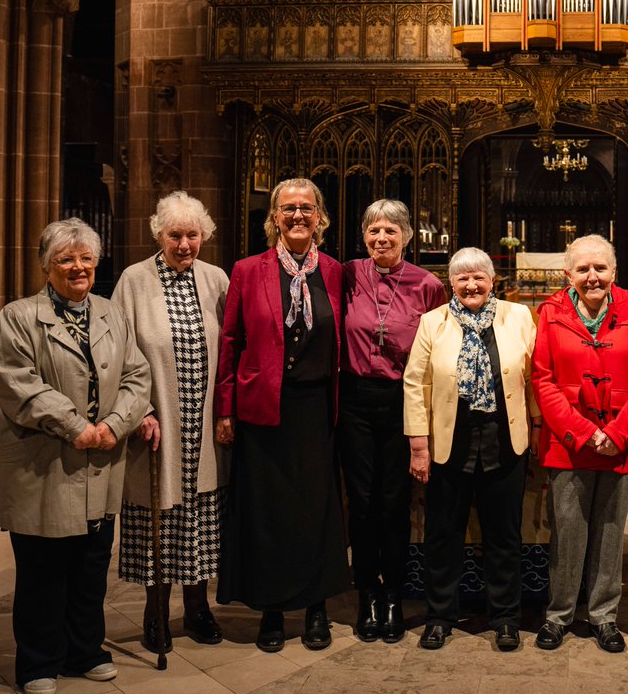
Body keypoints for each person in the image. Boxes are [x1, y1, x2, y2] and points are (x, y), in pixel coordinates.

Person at [0, 218, 151, 694]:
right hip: (46, 464)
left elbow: (137, 375)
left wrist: (115, 424)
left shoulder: (110, 313)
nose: (78, 267)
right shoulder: (19, 316)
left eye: (85, 258)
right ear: (46, 265)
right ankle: (38, 662)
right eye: (66, 259)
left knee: (88, 567)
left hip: (100, 461)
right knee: (43, 571)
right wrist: (76, 426)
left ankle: (85, 651)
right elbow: (18, 382)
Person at [213, 177, 348, 652]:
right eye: (287, 209)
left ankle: (315, 611)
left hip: (315, 410)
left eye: (306, 209)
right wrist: (224, 409)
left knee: (315, 510)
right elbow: (231, 342)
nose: (297, 216)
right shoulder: (248, 270)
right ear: (273, 217)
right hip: (263, 409)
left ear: (320, 217)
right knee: (267, 512)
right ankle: (271, 611)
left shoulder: (334, 271)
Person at [113, 192, 231, 653]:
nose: (184, 244)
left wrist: (227, 410)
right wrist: (137, 410)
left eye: (192, 235)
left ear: (204, 236)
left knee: (200, 519)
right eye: (174, 235)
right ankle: (155, 613)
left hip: (203, 426)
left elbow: (233, 346)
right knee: (158, 519)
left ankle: (198, 609)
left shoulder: (216, 279)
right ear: (158, 235)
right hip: (156, 423)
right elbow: (119, 353)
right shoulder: (133, 281)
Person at [403, 247, 537, 651]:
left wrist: (541, 431)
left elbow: (534, 376)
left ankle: (506, 618)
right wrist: (419, 444)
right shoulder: (433, 323)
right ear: (451, 284)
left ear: (493, 280)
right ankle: (440, 616)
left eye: (479, 276)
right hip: (449, 446)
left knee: (504, 536)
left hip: (504, 442)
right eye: (462, 278)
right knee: (443, 535)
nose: (471, 284)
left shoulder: (518, 317)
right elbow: (415, 383)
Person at [531, 235, 628, 653]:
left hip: (621, 444)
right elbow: (543, 380)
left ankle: (604, 616)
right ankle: (559, 615)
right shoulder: (549, 312)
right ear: (568, 274)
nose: (592, 276)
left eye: (600, 268)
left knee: (610, 532)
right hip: (569, 444)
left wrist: (618, 433)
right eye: (583, 269)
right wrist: (584, 433)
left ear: (614, 272)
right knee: (568, 532)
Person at [340, 199, 446, 643]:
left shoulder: (428, 284)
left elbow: (440, 348)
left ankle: (395, 598)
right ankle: (367, 593)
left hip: (404, 401)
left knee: (395, 503)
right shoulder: (346, 274)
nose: (381, 239)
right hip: (355, 400)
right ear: (364, 235)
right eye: (373, 231)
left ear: (407, 235)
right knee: (362, 504)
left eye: (390, 231)